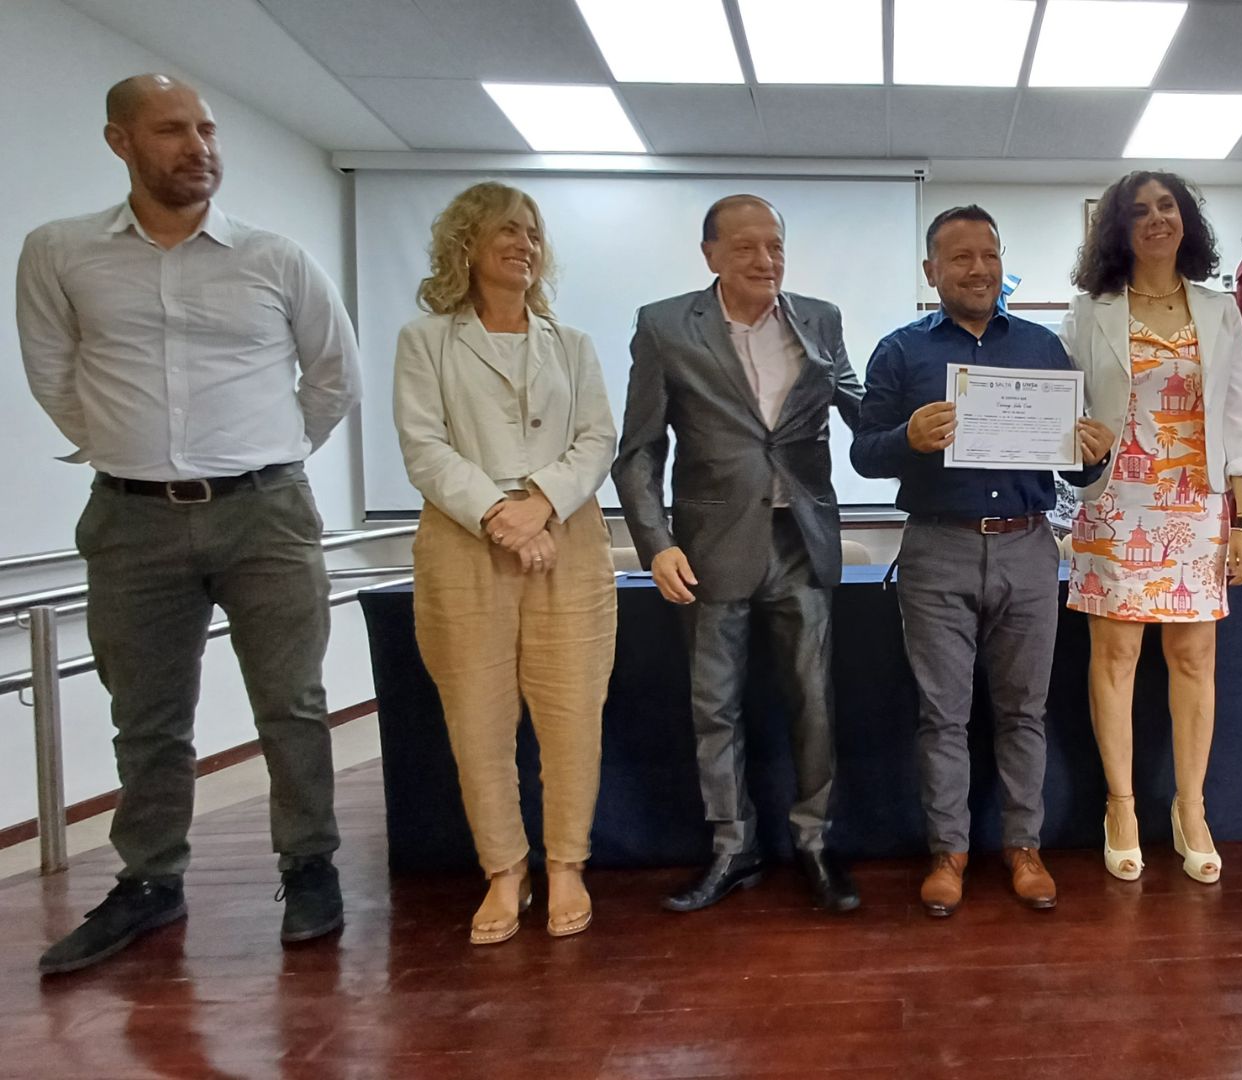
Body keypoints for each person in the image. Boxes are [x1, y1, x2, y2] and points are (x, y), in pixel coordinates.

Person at [17, 75, 361, 974]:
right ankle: (149, 880)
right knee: (147, 716)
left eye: (206, 129)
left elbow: (333, 375)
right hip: (131, 518)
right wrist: (132, 452)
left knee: (292, 703)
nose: (198, 146)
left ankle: (310, 867)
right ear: (120, 140)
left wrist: (270, 451)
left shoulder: (275, 257)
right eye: (172, 129)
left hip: (267, 511)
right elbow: (54, 375)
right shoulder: (59, 253)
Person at [852, 205, 1115, 917]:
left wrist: (1095, 456)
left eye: (990, 255)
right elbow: (864, 454)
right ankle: (950, 852)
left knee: (1025, 711)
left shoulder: (1043, 349)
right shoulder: (900, 352)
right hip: (937, 546)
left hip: (1028, 546)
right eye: (961, 257)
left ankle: (1024, 847)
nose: (979, 269)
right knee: (942, 715)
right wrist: (907, 438)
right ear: (931, 270)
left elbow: (1073, 470)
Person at [613, 194, 864, 914]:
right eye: (747, 246)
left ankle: (814, 843)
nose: (765, 259)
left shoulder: (819, 318)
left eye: (775, 245)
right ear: (711, 255)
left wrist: (934, 424)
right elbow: (639, 452)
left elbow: (862, 408)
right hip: (710, 547)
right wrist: (656, 544)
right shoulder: (665, 326)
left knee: (814, 701)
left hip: (802, 539)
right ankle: (733, 847)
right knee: (714, 707)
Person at [393, 182, 617, 943]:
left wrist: (540, 505)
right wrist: (500, 515)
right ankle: (505, 870)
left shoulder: (572, 344)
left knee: (572, 715)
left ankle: (567, 864)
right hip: (464, 542)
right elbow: (423, 445)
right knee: (478, 718)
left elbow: (597, 438)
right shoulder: (425, 340)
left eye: (533, 233)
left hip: (567, 538)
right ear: (466, 244)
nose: (524, 244)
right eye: (506, 231)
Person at [1060, 171, 1242, 885]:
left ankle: (1191, 808)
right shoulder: (1087, 313)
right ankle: (1120, 807)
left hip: (1197, 501)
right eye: (1139, 210)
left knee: (1193, 658)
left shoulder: (1219, 309)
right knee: (1115, 657)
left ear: (1186, 221)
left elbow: (1239, 417)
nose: (1155, 219)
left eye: (1167, 206)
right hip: (1115, 501)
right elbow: (1066, 411)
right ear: (1118, 227)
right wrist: (1072, 439)